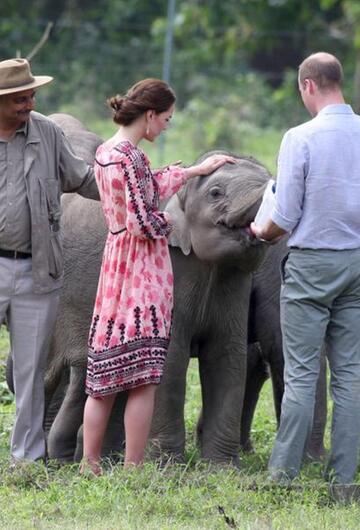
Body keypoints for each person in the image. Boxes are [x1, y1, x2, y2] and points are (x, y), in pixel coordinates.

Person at [81, 78, 235, 475]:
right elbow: (143, 221)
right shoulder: (130, 158)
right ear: (149, 115)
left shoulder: (106, 152)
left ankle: (90, 463)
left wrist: (196, 171)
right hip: (141, 272)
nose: (166, 125)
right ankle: (134, 466)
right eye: (165, 119)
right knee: (144, 377)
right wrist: (173, 220)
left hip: (115, 267)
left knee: (103, 375)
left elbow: (146, 188)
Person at [250, 52, 360, 486]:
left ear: (308, 86)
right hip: (356, 263)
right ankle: (345, 480)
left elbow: (285, 216)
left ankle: (283, 476)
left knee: (301, 373)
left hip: (311, 267)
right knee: (350, 374)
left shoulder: (300, 137)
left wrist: (262, 229)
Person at [0, 58, 99, 463]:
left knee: (31, 372)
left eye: (32, 95)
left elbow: (84, 179)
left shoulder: (46, 132)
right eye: (20, 98)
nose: (29, 103)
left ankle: (25, 458)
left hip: (35, 267)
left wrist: (136, 187)